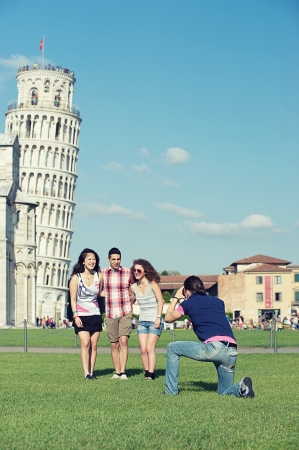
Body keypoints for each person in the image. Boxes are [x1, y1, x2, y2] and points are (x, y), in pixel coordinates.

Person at [164, 276, 255, 398]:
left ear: (186, 291)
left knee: (172, 348)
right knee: (224, 392)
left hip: (214, 347)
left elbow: (168, 318)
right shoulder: (219, 302)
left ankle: (170, 393)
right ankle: (242, 388)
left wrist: (175, 298)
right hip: (232, 350)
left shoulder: (188, 303)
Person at [70, 248, 103, 380]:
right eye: (89, 259)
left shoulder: (99, 276)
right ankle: (86, 373)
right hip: (81, 315)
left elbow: (100, 294)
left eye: (94, 259)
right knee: (85, 343)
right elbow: (72, 299)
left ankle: (92, 372)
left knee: (94, 345)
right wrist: (75, 315)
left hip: (95, 314)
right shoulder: (76, 278)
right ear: (83, 261)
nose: (92, 261)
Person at [129, 259, 164, 380]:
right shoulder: (133, 287)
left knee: (150, 348)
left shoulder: (152, 284)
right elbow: (131, 301)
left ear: (145, 271)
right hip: (142, 321)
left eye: (139, 270)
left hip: (155, 319)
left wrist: (158, 318)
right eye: (134, 270)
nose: (136, 272)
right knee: (143, 350)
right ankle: (147, 372)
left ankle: (151, 374)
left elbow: (161, 301)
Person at [101, 248, 132, 380]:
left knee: (123, 341)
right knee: (114, 344)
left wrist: (132, 299)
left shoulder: (127, 272)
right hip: (110, 312)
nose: (116, 261)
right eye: (113, 259)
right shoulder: (102, 273)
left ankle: (123, 372)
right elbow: (97, 289)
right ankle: (117, 371)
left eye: (118, 259)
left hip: (125, 310)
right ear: (109, 259)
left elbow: (132, 289)